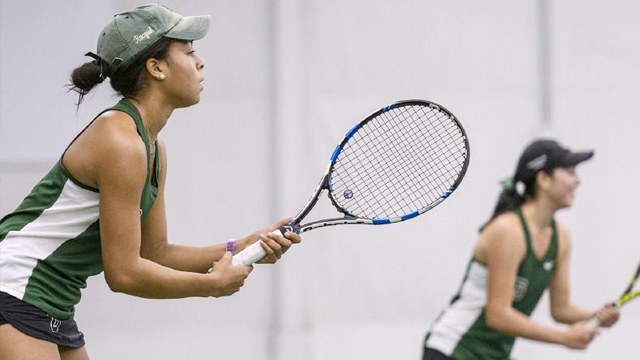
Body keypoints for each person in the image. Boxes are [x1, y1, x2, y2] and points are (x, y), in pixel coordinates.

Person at [0, 4, 300, 359]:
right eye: (188, 52)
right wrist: (210, 286)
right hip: (15, 286)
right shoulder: (121, 142)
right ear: (156, 68)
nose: (200, 62)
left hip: (53, 300)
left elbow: (154, 253)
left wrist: (239, 247)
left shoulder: (152, 148)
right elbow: (124, 273)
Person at [422, 139, 620, 360]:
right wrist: (563, 338)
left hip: (494, 354)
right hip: (455, 349)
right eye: (570, 171)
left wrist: (596, 315)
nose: (578, 181)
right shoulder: (508, 231)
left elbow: (560, 309)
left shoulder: (561, 237)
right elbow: (497, 315)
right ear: (543, 179)